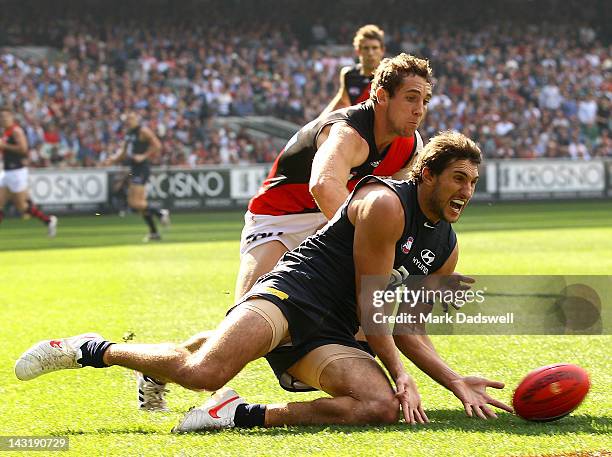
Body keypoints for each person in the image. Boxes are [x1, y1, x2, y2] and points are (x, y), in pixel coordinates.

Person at [15, 130, 513, 430]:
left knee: (378, 407)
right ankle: (92, 348)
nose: (466, 191)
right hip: (293, 295)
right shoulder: (386, 204)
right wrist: (401, 370)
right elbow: (373, 308)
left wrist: (452, 381)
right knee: (203, 373)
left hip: (330, 332)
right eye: (457, 178)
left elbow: (406, 324)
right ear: (427, 175)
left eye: (472, 181)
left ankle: (236, 415)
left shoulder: (445, 246)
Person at [133, 52, 430, 410]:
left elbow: (399, 202)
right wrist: (362, 242)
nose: (419, 109)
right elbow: (323, 185)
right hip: (277, 221)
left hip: (325, 221)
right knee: (244, 321)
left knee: (324, 321)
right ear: (380, 96)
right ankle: (158, 368)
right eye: (411, 98)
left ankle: (339, 371)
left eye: (425, 100)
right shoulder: (347, 132)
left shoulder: (411, 144)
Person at [106, 112, 170, 241]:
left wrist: (144, 156)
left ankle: (160, 213)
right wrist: (112, 160)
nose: (128, 121)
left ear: (136, 119)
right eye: (127, 119)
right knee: (139, 204)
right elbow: (123, 153)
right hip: (134, 168)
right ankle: (154, 232)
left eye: (131, 118)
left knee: (134, 203)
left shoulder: (143, 131)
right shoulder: (129, 134)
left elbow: (157, 145)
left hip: (141, 168)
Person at [0, 106, 57, 237]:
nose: (3, 119)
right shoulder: (6, 132)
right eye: (1, 117)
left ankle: (48, 220)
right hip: (7, 171)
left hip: (17, 172)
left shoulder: (16, 131)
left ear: (11, 118)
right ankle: (47, 220)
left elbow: (24, 149)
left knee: (22, 207)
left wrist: (4, 146)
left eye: (5, 117)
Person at [320, 24, 386, 116]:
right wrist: (316, 124)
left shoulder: (388, 77)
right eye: (366, 48)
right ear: (358, 51)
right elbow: (340, 101)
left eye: (374, 48)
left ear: (382, 50)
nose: (370, 53)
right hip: (357, 128)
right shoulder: (348, 74)